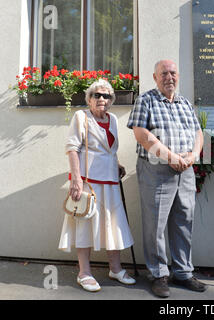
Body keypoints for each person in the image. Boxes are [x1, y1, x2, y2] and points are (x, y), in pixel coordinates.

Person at [127, 59, 206, 298]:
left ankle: (182, 272)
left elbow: (198, 133)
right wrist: (170, 156)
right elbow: (141, 134)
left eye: (173, 73)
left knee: (184, 220)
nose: (169, 77)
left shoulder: (184, 103)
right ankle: (158, 274)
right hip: (156, 169)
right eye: (164, 73)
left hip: (186, 169)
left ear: (178, 76)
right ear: (155, 77)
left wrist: (193, 155)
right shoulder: (146, 100)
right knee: (156, 224)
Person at [59, 79, 136, 292]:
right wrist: (76, 180)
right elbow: (72, 148)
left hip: (110, 180)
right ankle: (84, 272)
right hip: (88, 182)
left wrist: (116, 163)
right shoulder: (81, 117)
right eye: (97, 95)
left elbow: (108, 148)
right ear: (89, 98)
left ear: (111, 101)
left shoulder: (112, 120)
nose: (102, 99)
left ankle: (115, 268)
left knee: (113, 224)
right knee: (85, 224)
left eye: (106, 96)